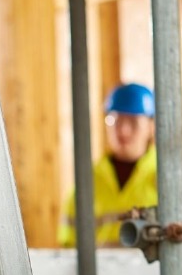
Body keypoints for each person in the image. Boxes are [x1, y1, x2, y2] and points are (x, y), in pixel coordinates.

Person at [57, 82, 158, 247]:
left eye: (133, 122)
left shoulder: (163, 178)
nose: (123, 130)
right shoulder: (88, 181)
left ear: (151, 126)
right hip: (98, 273)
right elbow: (68, 243)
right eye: (115, 120)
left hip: (150, 273)